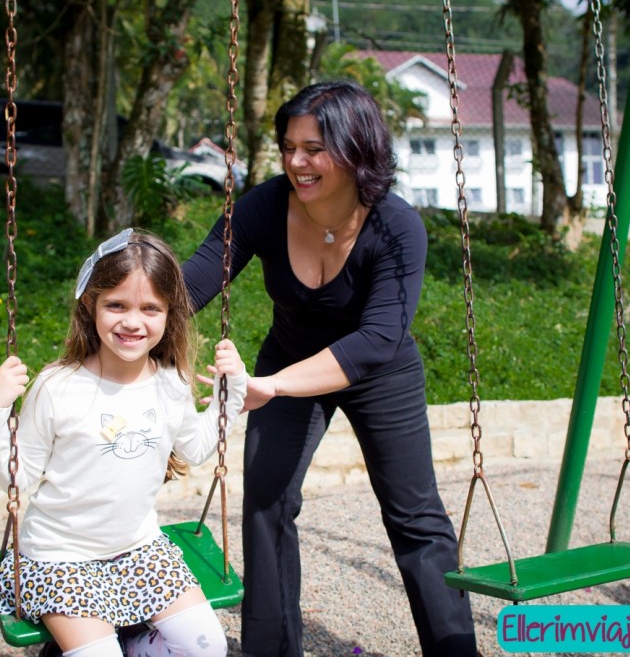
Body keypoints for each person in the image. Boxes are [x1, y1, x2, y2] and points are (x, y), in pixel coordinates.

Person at [182, 80, 477, 656]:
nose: (297, 162)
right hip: (289, 355)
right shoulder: (264, 208)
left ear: (356, 148)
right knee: (266, 501)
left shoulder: (396, 226)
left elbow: (376, 339)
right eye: (289, 147)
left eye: (315, 148)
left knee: (416, 519)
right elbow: (192, 282)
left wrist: (271, 386)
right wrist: (123, 317)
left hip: (379, 371)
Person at [0, 228, 248, 657]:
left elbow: (195, 449)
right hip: (59, 557)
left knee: (206, 647)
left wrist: (231, 395)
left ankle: (132, 642)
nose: (132, 321)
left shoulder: (171, 383)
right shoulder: (57, 387)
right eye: (116, 305)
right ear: (91, 305)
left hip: (139, 548)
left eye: (150, 308)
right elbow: (19, 475)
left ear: (169, 313)